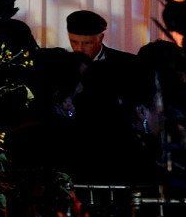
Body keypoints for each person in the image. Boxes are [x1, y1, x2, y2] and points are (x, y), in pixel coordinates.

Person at [64, 10, 152, 185]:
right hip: (74, 151)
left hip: (117, 151)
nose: (79, 48)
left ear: (101, 38)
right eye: (73, 42)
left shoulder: (128, 64)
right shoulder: (61, 64)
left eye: (86, 43)